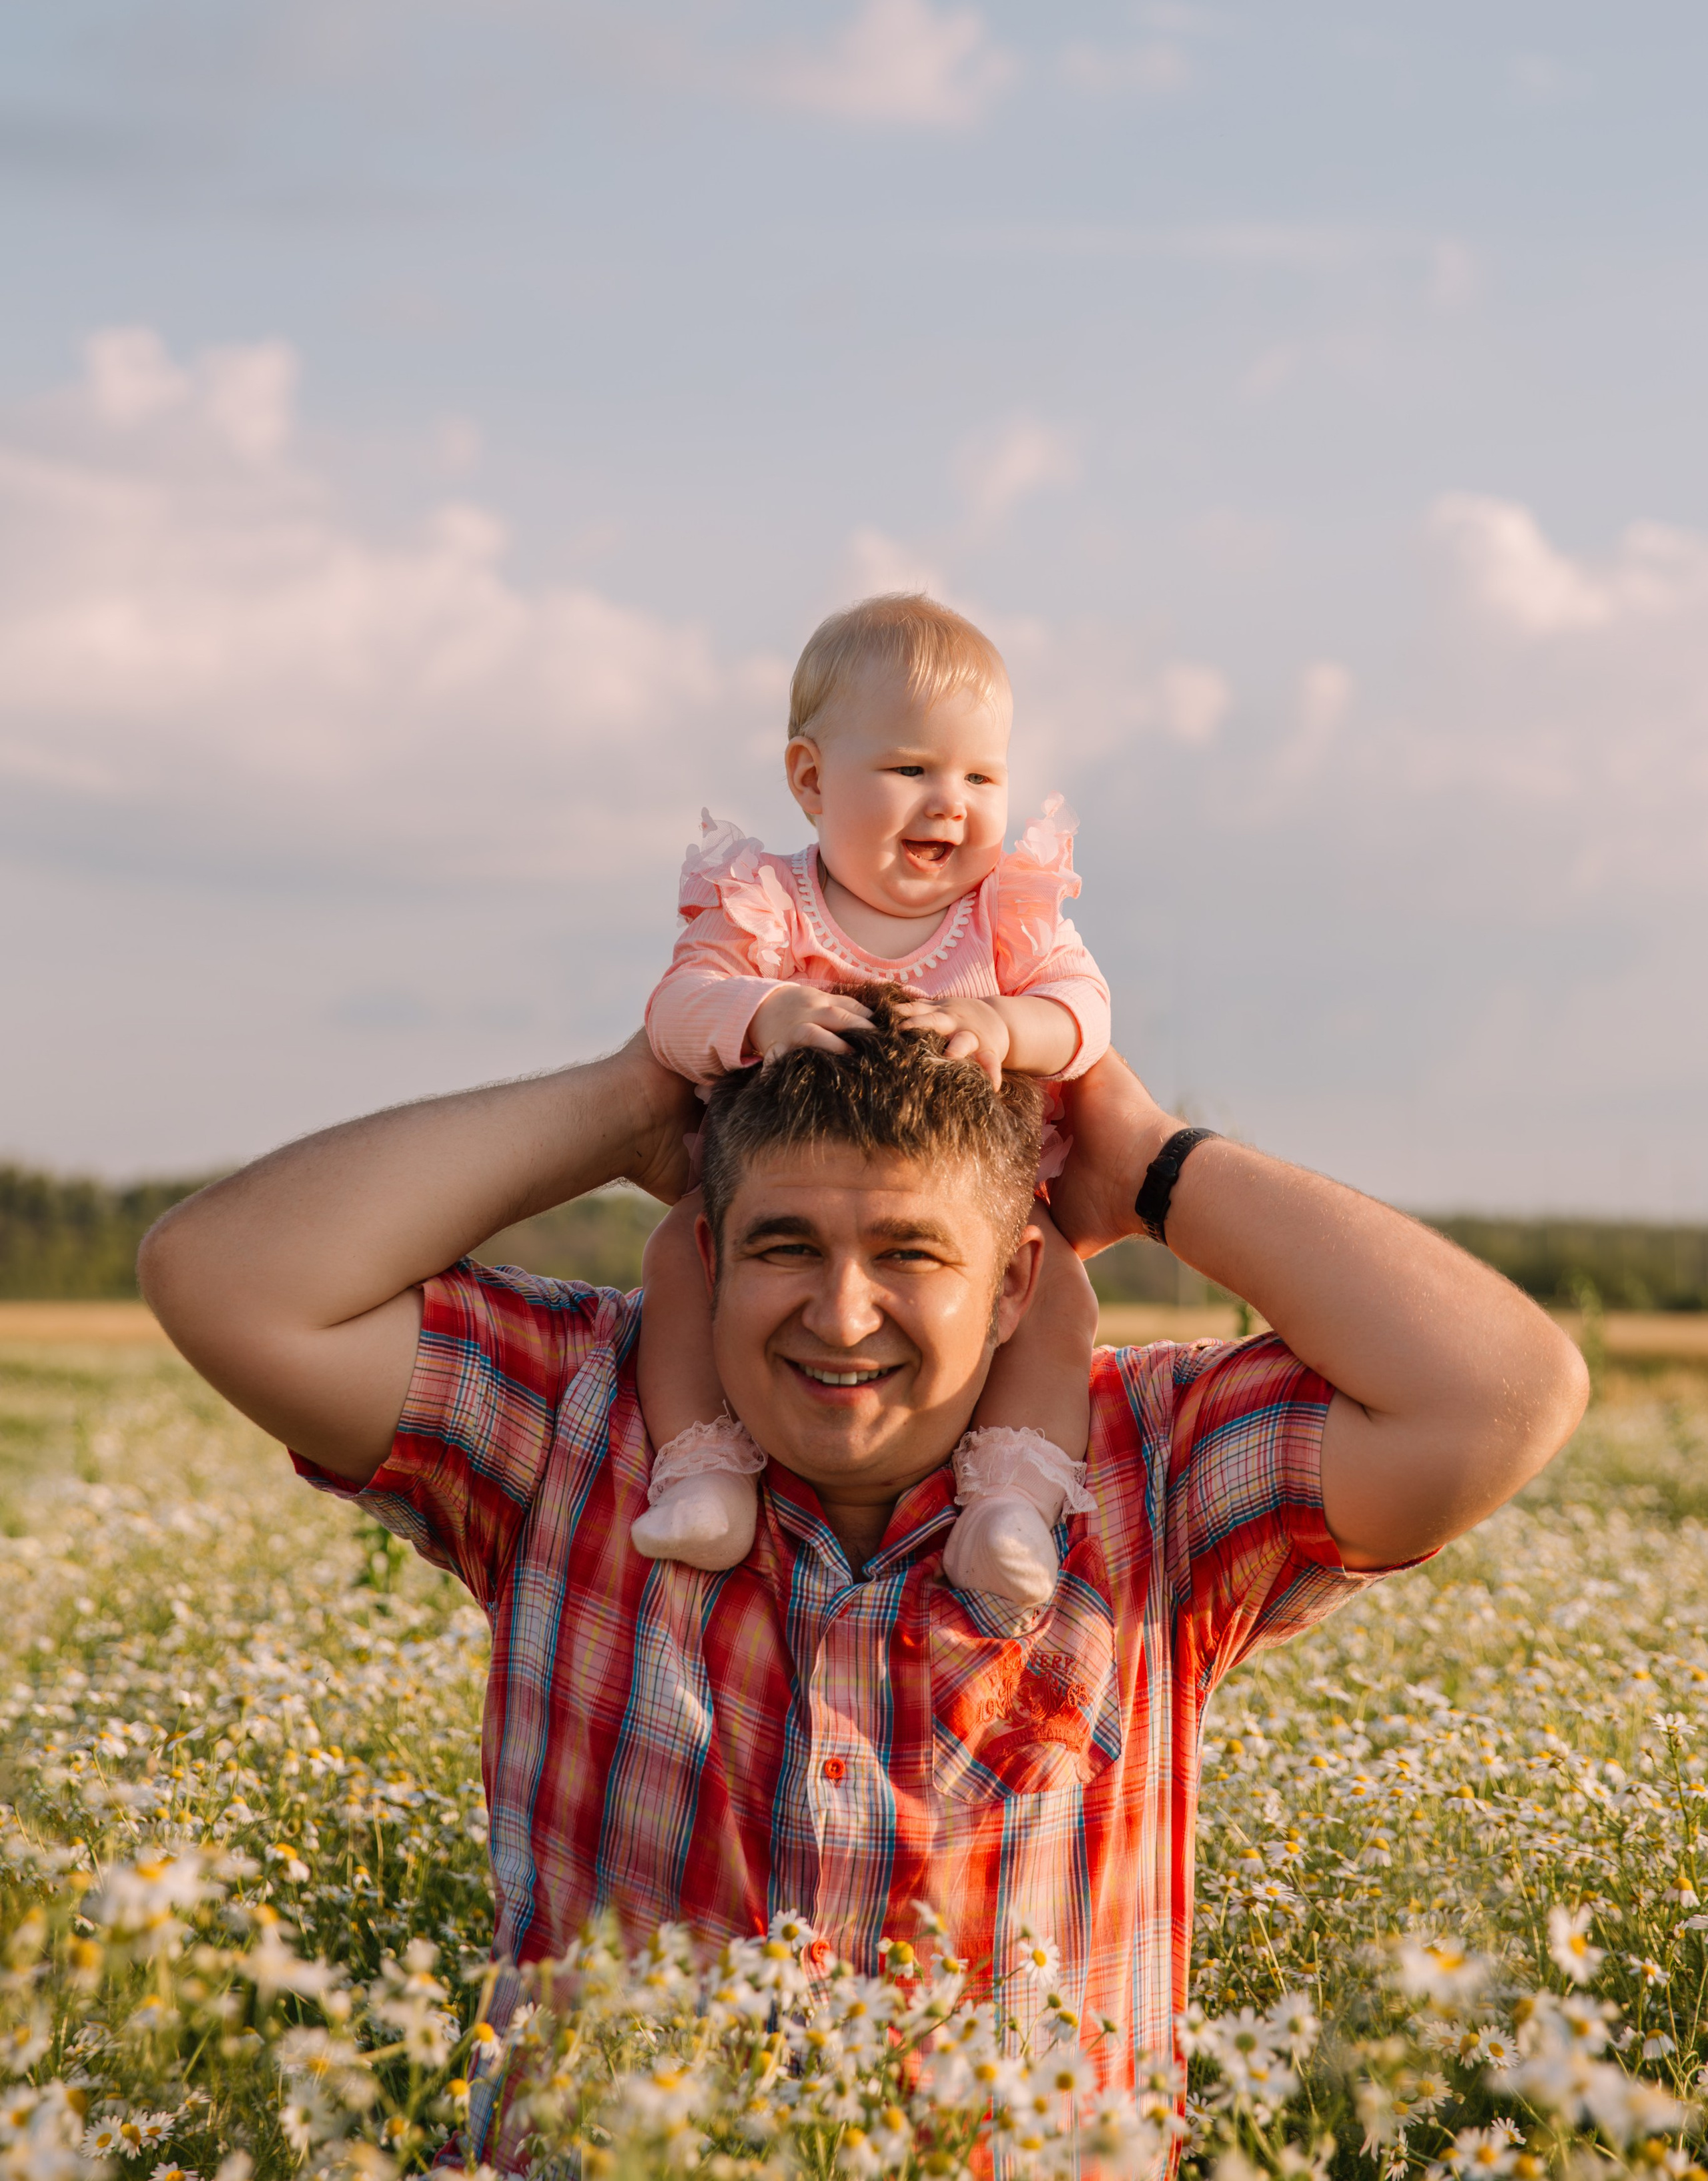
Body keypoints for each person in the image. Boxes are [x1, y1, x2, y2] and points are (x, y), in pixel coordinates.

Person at [139, 999, 1587, 2170]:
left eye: (910, 1252)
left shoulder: (1144, 1472)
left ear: (1016, 1284)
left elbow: (1503, 1395)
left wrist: (1144, 1158)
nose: (842, 1316)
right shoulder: (571, 1429)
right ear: (705, 1255)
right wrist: (632, 1098)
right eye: (782, 1246)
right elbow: (221, 1274)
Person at [636, 591, 1108, 1606]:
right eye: (911, 769)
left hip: (977, 1203)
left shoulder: (1007, 917)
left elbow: (1086, 1013)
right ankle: (702, 1469)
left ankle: (1009, 1504)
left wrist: (1007, 1028)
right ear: (810, 778)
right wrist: (760, 1014)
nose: (952, 802)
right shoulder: (766, 905)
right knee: (679, 1253)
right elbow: (676, 1008)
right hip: (773, 1179)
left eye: (982, 775)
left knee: (1056, 1291)